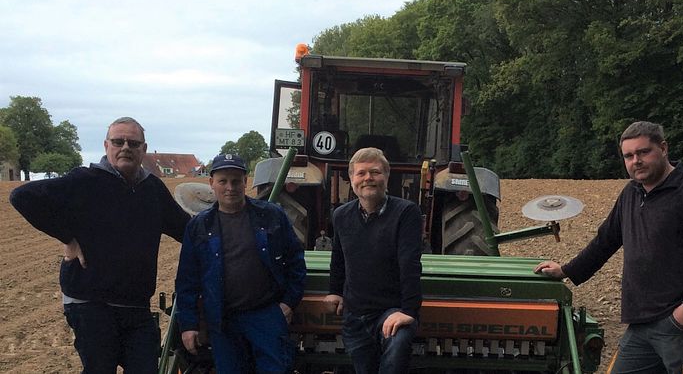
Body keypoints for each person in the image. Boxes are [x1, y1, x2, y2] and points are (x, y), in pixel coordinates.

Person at [534, 121, 683, 374]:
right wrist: (566, 270)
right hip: (642, 322)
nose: (635, 161)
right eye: (628, 156)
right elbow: (605, 241)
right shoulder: (632, 193)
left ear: (663, 148)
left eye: (643, 152)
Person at [10, 116, 191, 373]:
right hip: (90, 302)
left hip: (135, 305)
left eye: (133, 142)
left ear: (144, 149)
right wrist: (67, 237)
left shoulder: (152, 190)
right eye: (118, 141)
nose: (125, 147)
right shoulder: (85, 181)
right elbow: (22, 197)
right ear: (106, 145)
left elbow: (185, 229)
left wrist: (224, 227)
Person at [175, 153, 306, 374]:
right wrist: (188, 325)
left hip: (265, 314)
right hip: (223, 319)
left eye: (236, 181)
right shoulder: (199, 226)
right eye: (223, 181)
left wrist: (289, 302)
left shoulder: (271, 216)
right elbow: (188, 279)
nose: (230, 187)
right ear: (211, 183)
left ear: (245, 182)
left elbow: (295, 261)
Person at [323, 147, 423, 374]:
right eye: (361, 173)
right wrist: (335, 290)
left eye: (375, 172)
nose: (368, 178)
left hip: (392, 311)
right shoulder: (341, 215)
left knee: (397, 348)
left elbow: (410, 264)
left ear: (387, 177)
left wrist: (408, 311)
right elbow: (339, 256)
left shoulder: (406, 212)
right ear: (351, 179)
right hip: (355, 315)